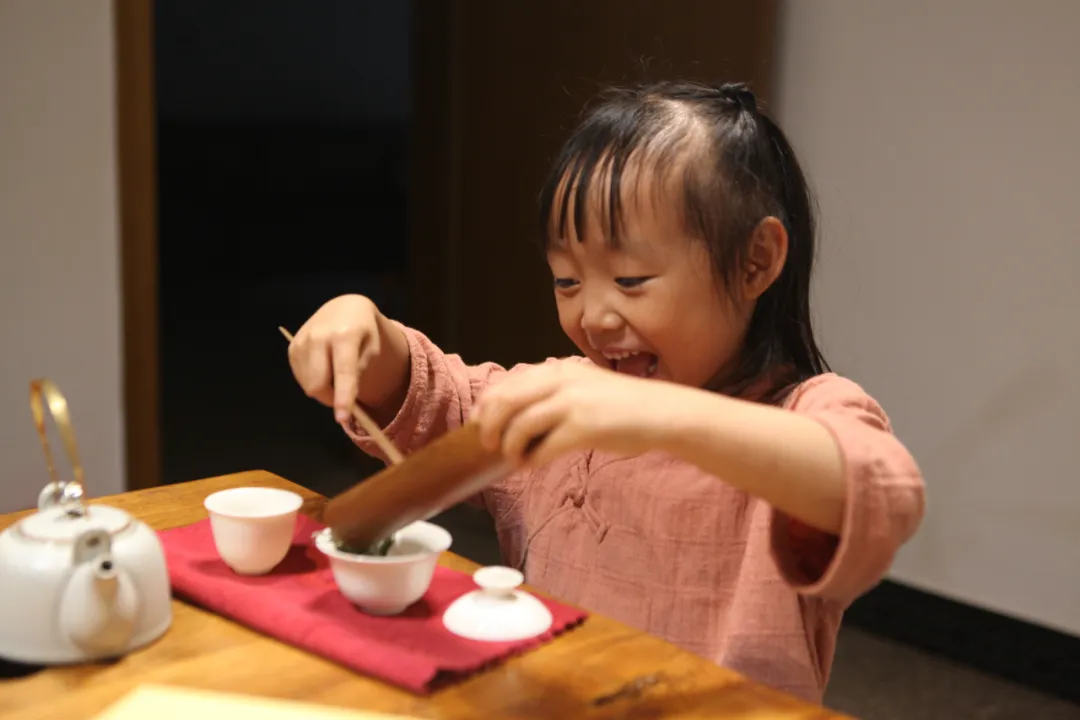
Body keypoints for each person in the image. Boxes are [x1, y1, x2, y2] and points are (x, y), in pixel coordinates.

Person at [286, 80, 925, 703]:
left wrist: (656, 415)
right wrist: (364, 329)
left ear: (755, 262)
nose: (592, 315)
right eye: (566, 281)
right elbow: (439, 399)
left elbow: (879, 490)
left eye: (630, 278)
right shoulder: (568, 399)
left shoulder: (804, 413)